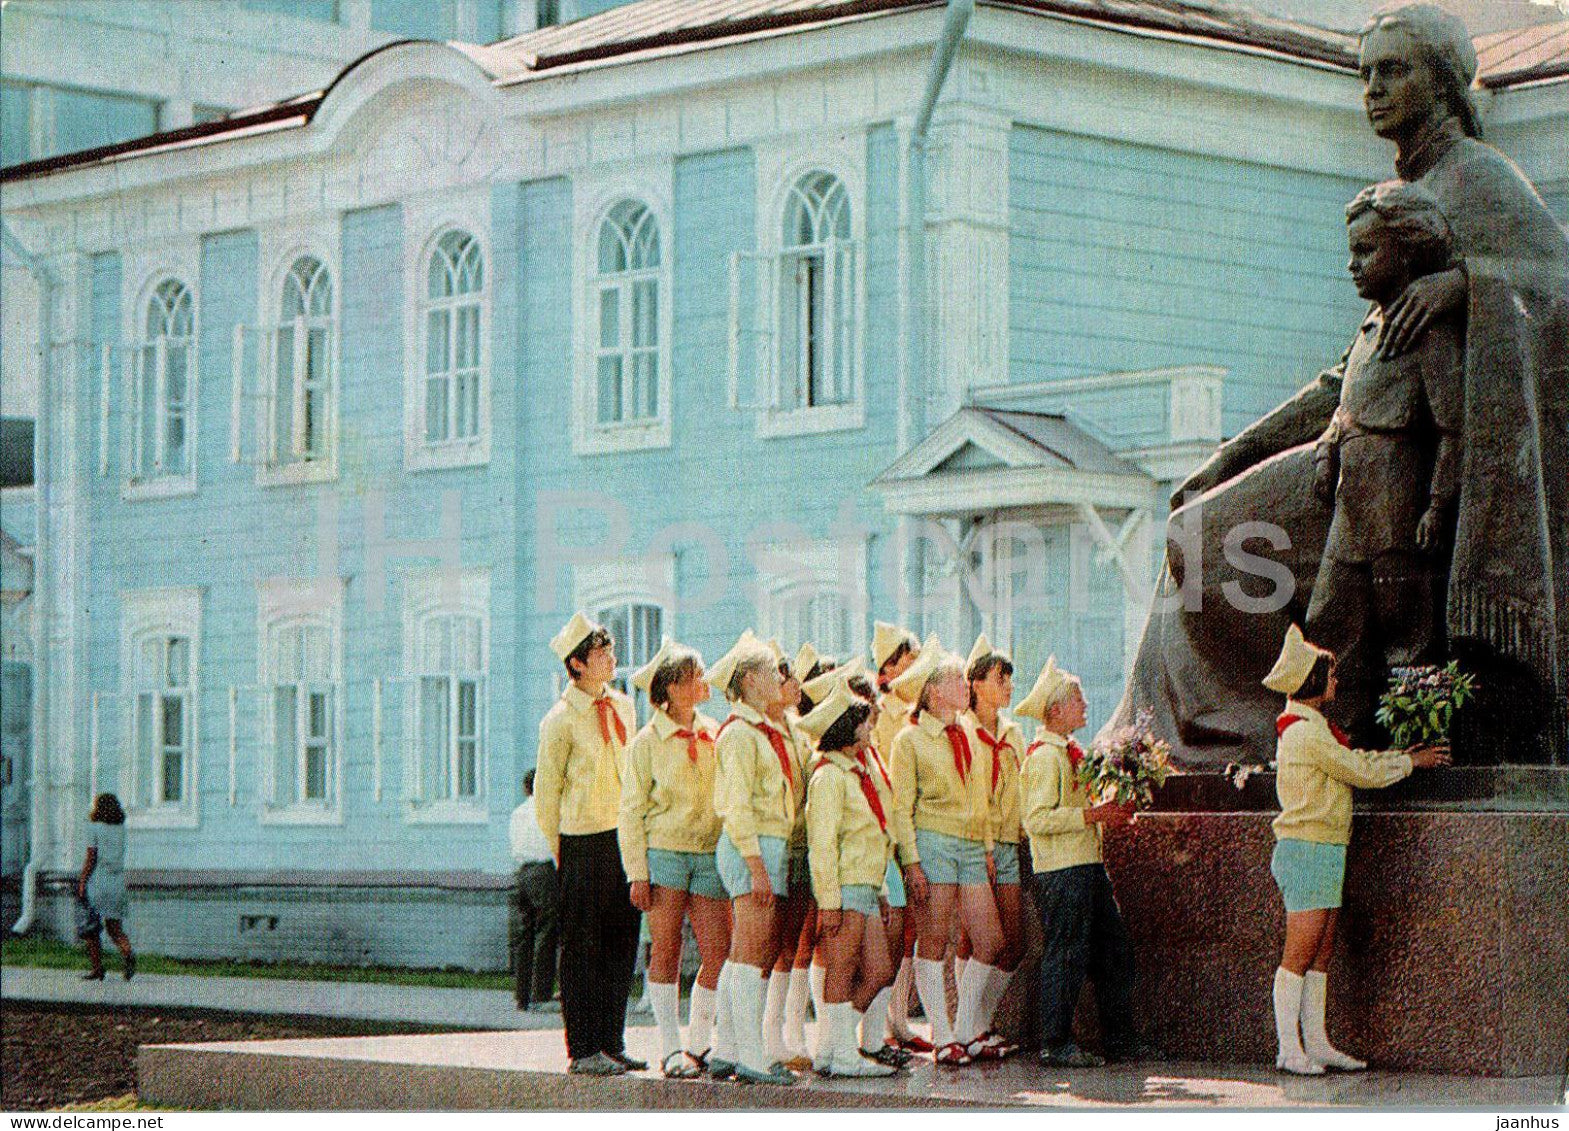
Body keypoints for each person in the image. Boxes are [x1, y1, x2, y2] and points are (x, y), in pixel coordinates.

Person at [1303, 179, 1462, 730]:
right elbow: (1344, 407)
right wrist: (1327, 452)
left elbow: (1452, 427)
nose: (1354, 265)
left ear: (1408, 250)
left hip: (1398, 505)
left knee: (1407, 630)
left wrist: (1438, 506)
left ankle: (1417, 740)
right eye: (1352, 252)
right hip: (1352, 506)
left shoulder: (1426, 331)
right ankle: (1325, 737)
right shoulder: (1369, 329)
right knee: (1327, 621)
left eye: (1367, 251)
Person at [1263, 624, 1450, 1074]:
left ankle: (1318, 1043)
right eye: (1328, 676)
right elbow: (1356, 769)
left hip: (1323, 846)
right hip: (1307, 848)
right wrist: (1410, 761)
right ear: (1310, 682)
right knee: (1300, 952)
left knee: (1321, 951)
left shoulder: (1309, 726)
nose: (1335, 683)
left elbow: (1353, 764)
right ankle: (1290, 1048)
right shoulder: (1307, 732)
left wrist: (1401, 757)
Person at [1018, 657, 1154, 1068]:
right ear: (1055, 710)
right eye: (1078, 699)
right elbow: (1036, 820)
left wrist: (1106, 809)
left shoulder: (1068, 752)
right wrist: (1095, 815)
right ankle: (1056, 1041)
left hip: (1085, 865)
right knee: (1067, 953)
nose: (1086, 704)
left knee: (1113, 950)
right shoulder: (1044, 757)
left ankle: (1118, 1035)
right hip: (1062, 870)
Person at [535, 611, 644, 1077]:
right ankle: (583, 1048)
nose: (611, 659)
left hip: (623, 837)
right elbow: (547, 793)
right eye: (601, 654)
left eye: (610, 651)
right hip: (581, 842)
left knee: (622, 939)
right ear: (576, 664)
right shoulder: (559, 720)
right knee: (583, 946)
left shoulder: (623, 706)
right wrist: (561, 849)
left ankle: (612, 1041)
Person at [618, 638, 731, 1078]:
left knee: (719, 951)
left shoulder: (714, 732)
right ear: (669, 689)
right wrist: (637, 873)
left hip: (708, 854)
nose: (703, 682)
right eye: (693, 677)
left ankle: (699, 1042)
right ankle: (668, 1045)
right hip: (664, 855)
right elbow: (631, 811)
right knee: (666, 949)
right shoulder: (646, 743)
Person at [889, 644, 1006, 1066]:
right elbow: (901, 807)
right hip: (933, 843)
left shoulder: (969, 732)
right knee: (933, 941)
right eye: (957, 680)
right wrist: (912, 862)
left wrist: (988, 847)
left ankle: (964, 1029)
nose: (964, 686)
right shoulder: (909, 740)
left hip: (972, 844)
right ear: (934, 692)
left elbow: (981, 797)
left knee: (991, 940)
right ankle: (945, 1037)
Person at [709, 630, 798, 1085]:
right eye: (768, 671)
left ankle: (727, 1047)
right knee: (751, 954)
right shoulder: (740, 735)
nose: (777, 677)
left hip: (768, 844)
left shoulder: (762, 730)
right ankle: (752, 1056)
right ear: (746, 680)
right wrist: (757, 866)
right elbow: (737, 805)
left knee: (747, 951)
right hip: (753, 846)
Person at [799, 674, 898, 1077]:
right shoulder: (829, 776)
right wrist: (830, 902)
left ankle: (834, 1044)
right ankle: (840, 1053)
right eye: (862, 721)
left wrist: (881, 890)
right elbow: (822, 844)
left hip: (866, 885)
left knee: (879, 969)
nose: (870, 726)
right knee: (841, 967)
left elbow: (873, 834)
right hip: (844, 887)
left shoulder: (854, 773)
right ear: (845, 729)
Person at [958, 633, 1025, 1058]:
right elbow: (969, 794)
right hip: (976, 845)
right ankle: (968, 1027)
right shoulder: (962, 733)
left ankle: (977, 1021)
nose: (1008, 687)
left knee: (1012, 941)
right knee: (982, 939)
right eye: (1001, 678)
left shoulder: (1015, 733)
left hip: (1009, 843)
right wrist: (981, 845)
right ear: (977, 684)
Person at [868, 622, 929, 1052]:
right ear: (890, 668)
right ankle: (884, 1024)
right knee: (895, 927)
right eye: (909, 660)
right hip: (891, 829)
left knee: (911, 931)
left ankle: (899, 1018)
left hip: (915, 825)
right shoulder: (886, 715)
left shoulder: (917, 712)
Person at [762, 641, 816, 1071]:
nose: (796, 684)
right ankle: (760, 1034)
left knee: (792, 940)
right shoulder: (760, 730)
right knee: (766, 943)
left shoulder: (798, 729)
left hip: (798, 843)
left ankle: (779, 1031)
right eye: (787, 677)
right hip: (770, 845)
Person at [508, 770, 559, 1012]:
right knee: (546, 932)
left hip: (521, 873)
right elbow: (553, 846)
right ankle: (541, 993)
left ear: (526, 789)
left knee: (524, 935)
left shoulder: (517, 813)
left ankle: (522, 995)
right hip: (543, 872)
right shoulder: (548, 811)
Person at [78, 793, 133, 981]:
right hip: (117, 884)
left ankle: (97, 968)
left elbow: (91, 857)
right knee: (115, 929)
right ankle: (127, 953)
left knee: (91, 930)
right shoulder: (121, 829)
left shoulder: (94, 828)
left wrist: (82, 881)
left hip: (98, 884)